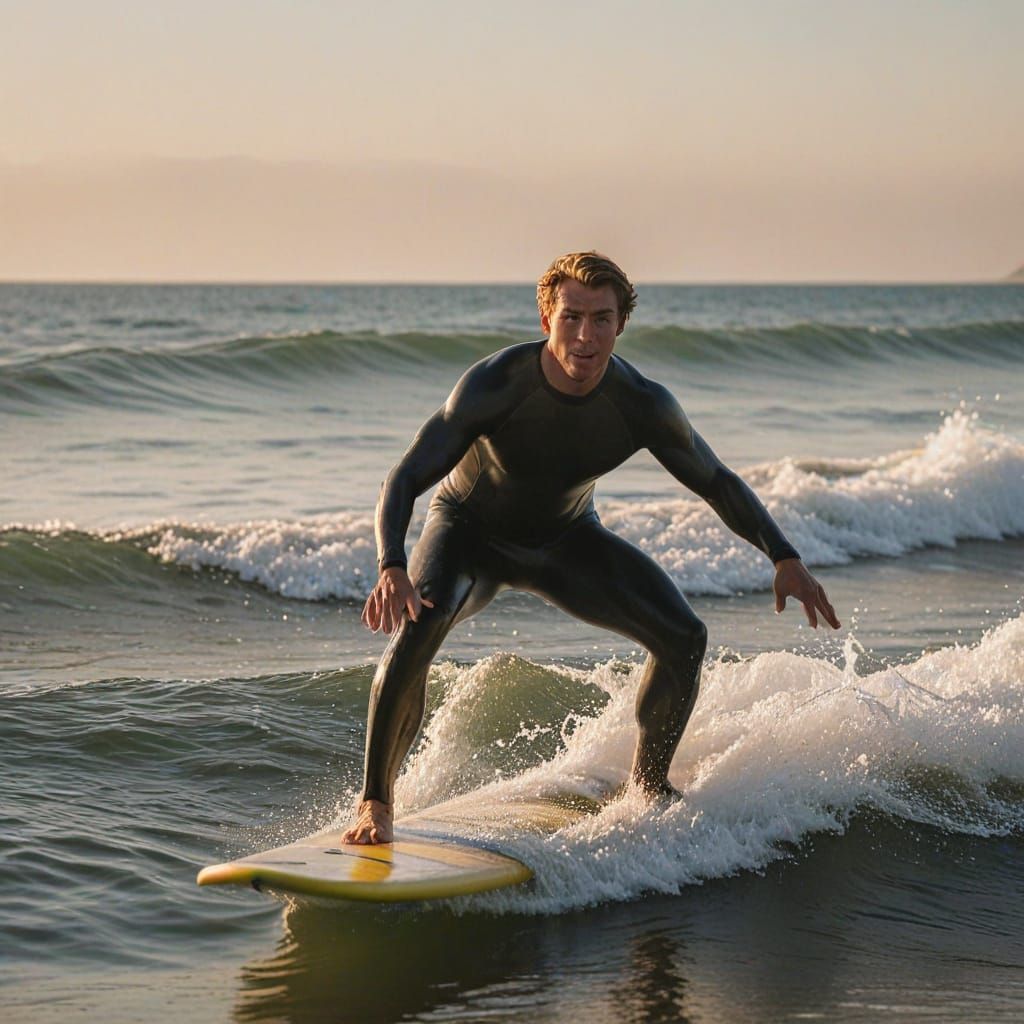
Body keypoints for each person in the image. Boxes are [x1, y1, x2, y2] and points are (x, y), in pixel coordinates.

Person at [342, 252, 840, 845]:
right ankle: (376, 802)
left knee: (684, 638)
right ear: (546, 316)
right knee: (420, 624)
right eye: (571, 316)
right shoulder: (495, 384)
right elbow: (403, 477)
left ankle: (648, 789)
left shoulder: (642, 404)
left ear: (621, 324)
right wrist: (391, 565)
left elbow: (716, 479)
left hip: (563, 540)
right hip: (468, 534)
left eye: (601, 319)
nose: (585, 336)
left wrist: (783, 556)